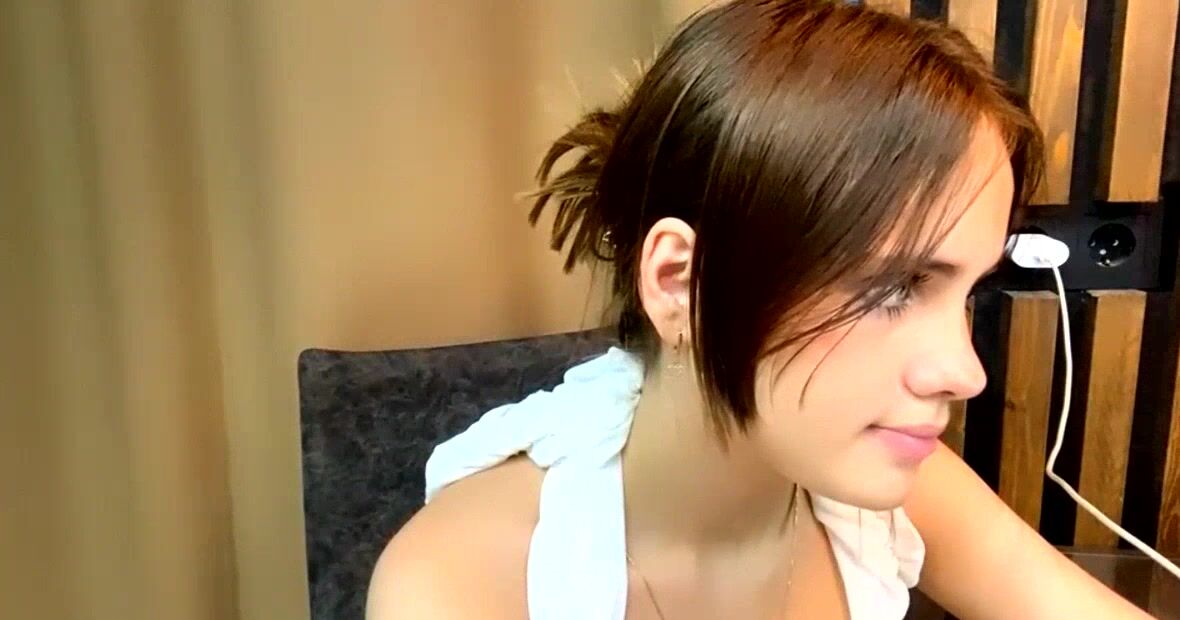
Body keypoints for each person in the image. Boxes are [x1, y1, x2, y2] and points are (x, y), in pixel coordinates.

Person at [367, 1, 1151, 617]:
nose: (965, 372)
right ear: (680, 283)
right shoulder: (465, 582)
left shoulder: (898, 489)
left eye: (966, 290)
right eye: (894, 288)